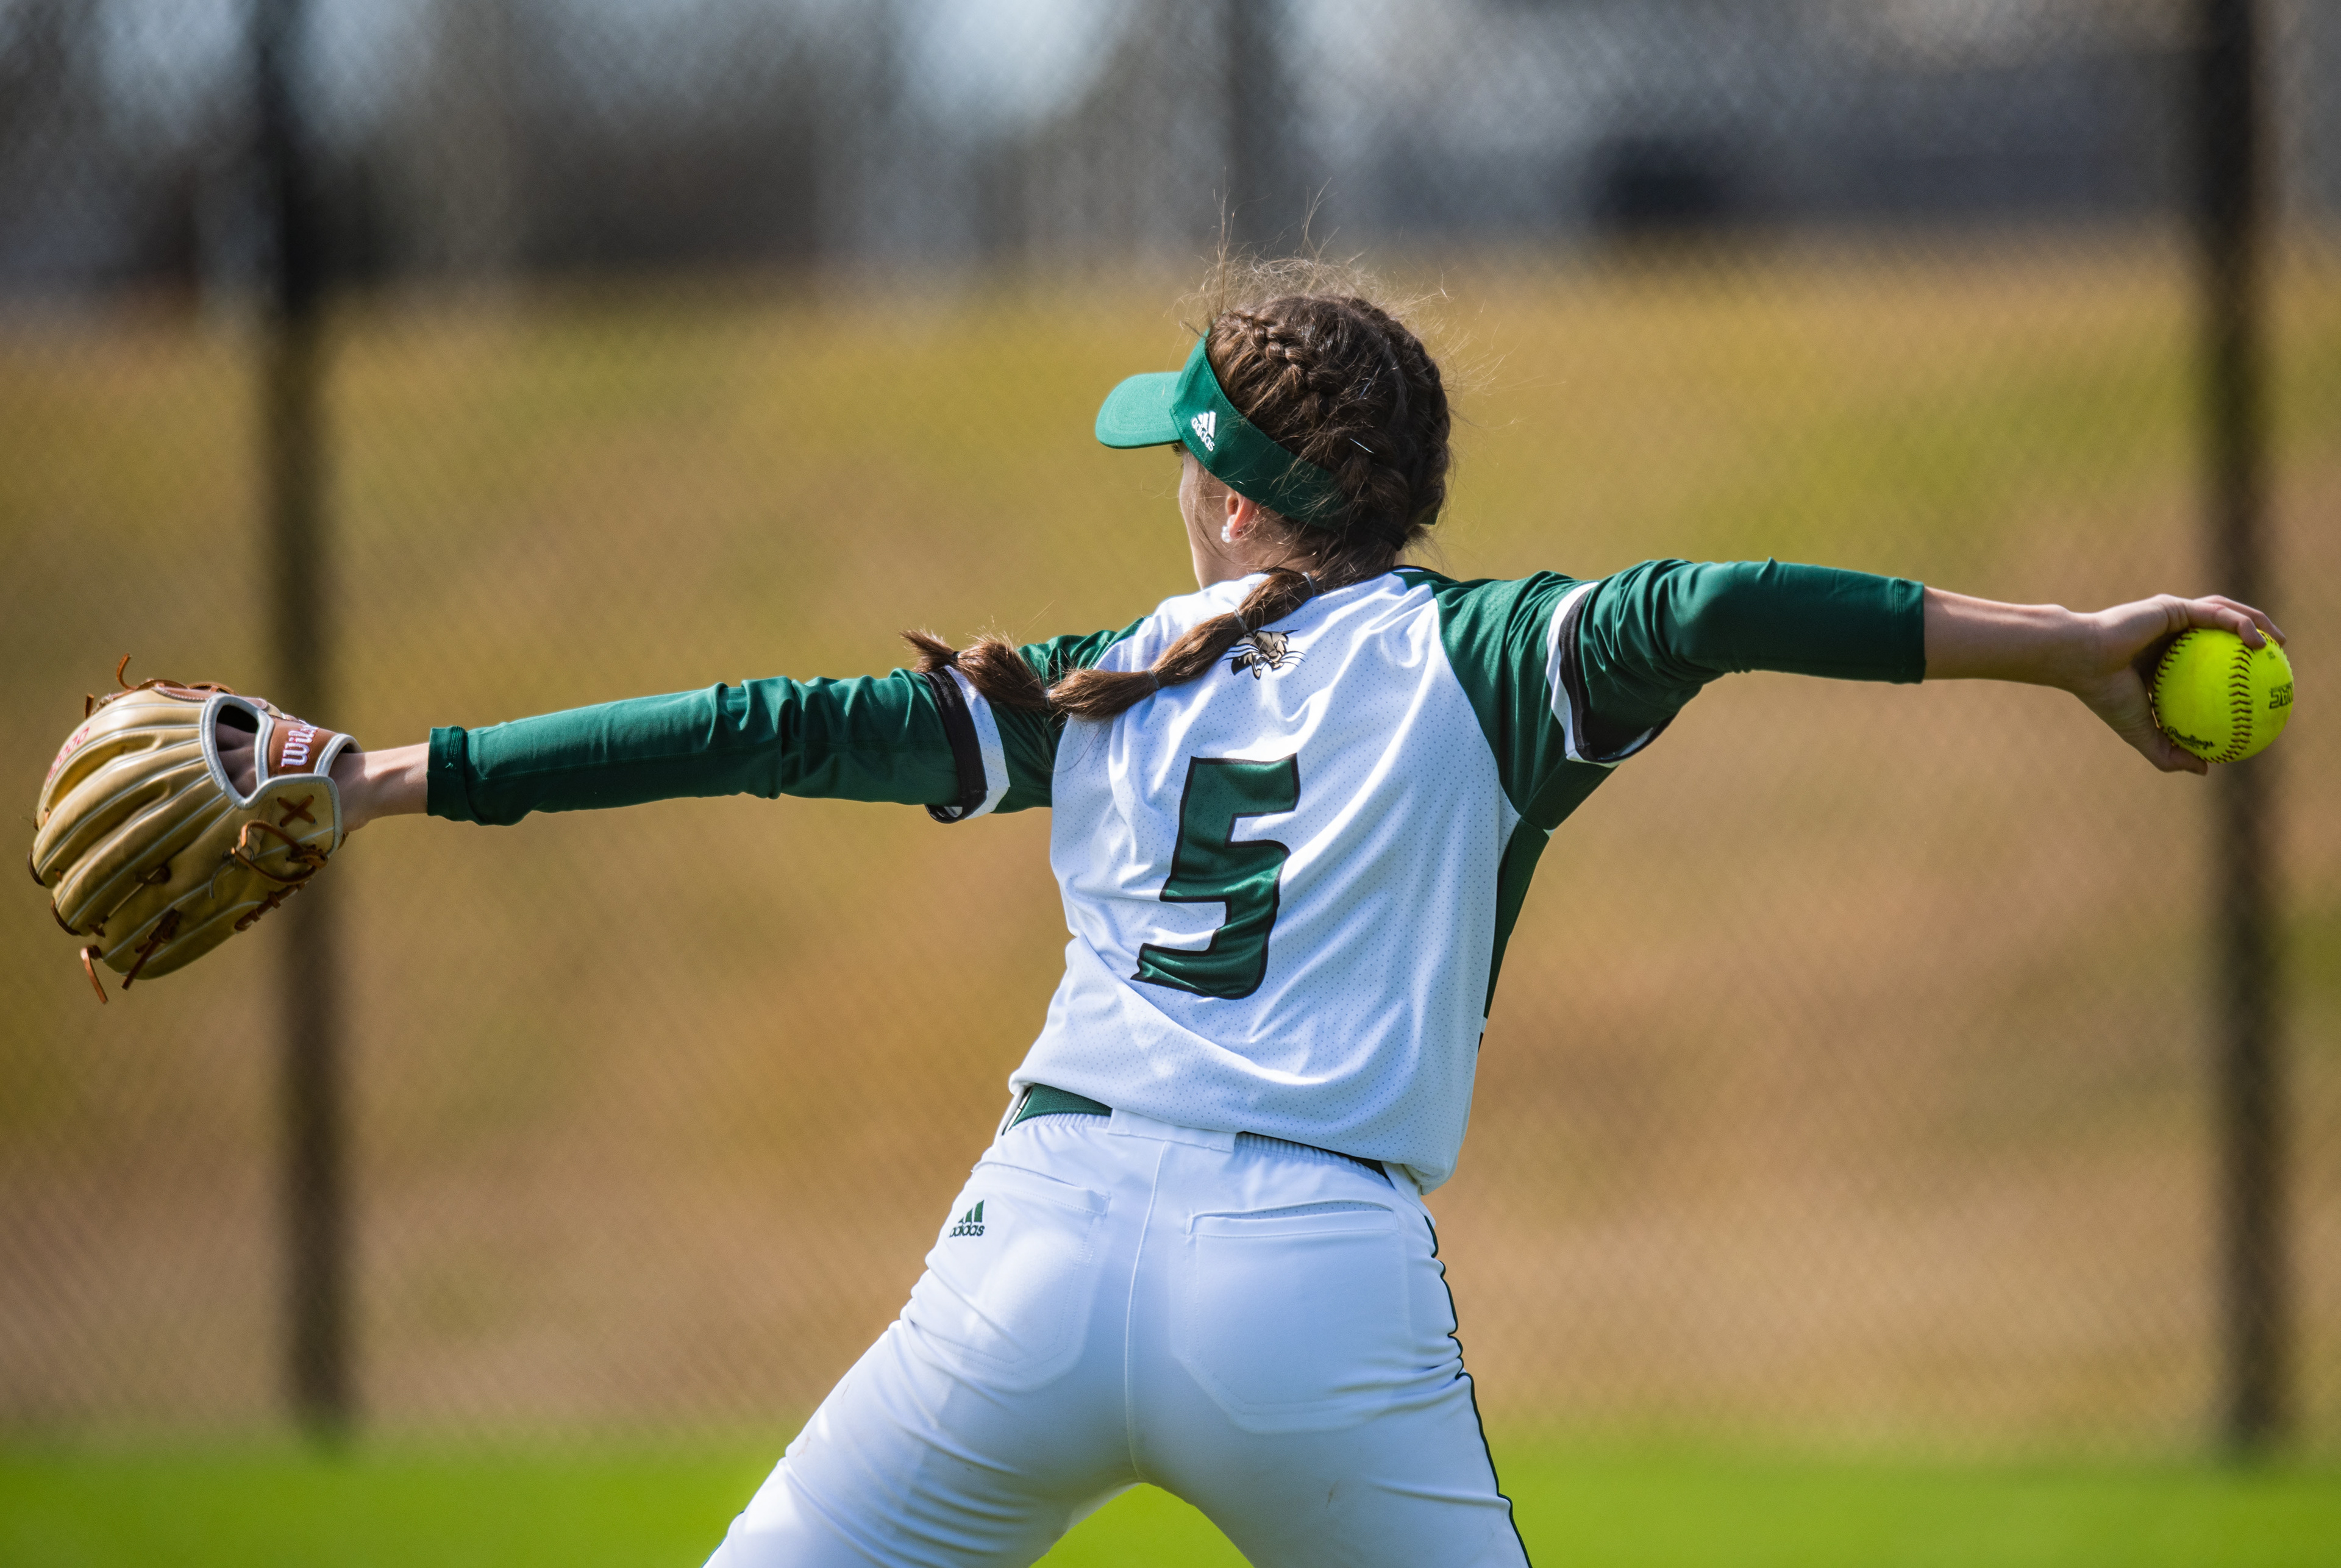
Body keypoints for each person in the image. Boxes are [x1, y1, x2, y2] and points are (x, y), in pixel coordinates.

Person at [328, 264, 2281, 1568]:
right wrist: (2075, 647)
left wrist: (400, 772)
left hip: (1036, 1251)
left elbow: (755, 731)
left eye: (1183, 452)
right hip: (1314, 1292)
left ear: (1245, 505)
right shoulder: (1492, 658)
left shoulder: (1104, 683)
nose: (1170, 479)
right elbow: (1718, 600)